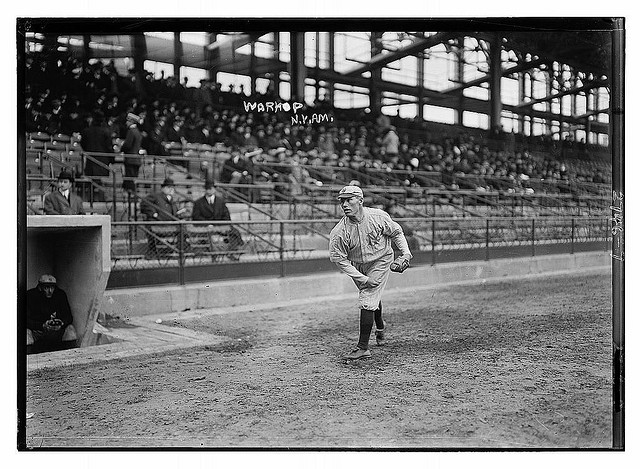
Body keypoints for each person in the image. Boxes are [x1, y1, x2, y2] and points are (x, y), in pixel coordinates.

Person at [329, 185, 413, 360]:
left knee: (368, 297)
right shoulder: (339, 232)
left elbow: (396, 232)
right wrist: (363, 278)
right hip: (358, 265)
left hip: (381, 260)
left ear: (360, 201)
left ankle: (363, 347)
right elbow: (341, 261)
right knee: (371, 294)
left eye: (349, 200)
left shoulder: (378, 216)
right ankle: (380, 326)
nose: (344, 204)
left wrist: (405, 253)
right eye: (342, 201)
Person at [192, 180, 244, 258]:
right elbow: (196, 217)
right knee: (209, 237)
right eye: (207, 188)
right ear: (205, 189)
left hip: (220, 225)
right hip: (205, 227)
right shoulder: (198, 203)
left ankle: (231, 252)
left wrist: (222, 226)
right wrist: (207, 224)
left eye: (211, 188)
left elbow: (226, 215)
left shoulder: (220, 201)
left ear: (214, 189)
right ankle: (214, 255)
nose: (209, 190)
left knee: (234, 232)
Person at [26, 274, 77, 353]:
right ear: (40, 287)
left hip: (56, 331)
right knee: (26, 334)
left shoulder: (60, 294)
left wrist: (61, 323)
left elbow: (69, 317)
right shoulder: (30, 295)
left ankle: (72, 360)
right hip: (37, 331)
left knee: (70, 330)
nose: (50, 291)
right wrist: (42, 325)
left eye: (52, 287)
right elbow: (24, 320)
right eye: (46, 287)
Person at [140, 178, 188, 258]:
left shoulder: (172, 200)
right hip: (158, 223)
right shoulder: (155, 196)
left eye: (172, 188)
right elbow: (144, 203)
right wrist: (154, 214)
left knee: (183, 228)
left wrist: (179, 213)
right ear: (163, 188)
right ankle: (152, 252)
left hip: (170, 224)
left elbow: (174, 213)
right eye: (168, 187)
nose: (171, 189)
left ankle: (180, 251)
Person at [121, 113, 143, 193]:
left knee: (129, 181)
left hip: (130, 159)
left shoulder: (131, 131)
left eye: (128, 121)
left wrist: (121, 148)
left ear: (131, 122)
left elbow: (127, 145)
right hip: (136, 159)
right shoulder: (137, 132)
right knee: (133, 179)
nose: (126, 123)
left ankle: (131, 196)